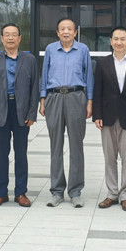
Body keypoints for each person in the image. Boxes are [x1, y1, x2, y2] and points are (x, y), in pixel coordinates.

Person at [39, 17, 94, 208]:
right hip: (54, 97)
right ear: (57, 32)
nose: (66, 32)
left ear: (75, 32)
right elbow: (44, 74)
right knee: (56, 146)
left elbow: (89, 76)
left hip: (76, 97)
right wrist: (43, 100)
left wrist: (89, 102)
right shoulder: (50, 49)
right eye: (62, 29)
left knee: (76, 145)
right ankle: (57, 191)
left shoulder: (83, 50)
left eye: (69, 29)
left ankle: (75, 191)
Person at [0, 23, 39, 207]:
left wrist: (32, 112)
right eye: (6, 34)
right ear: (1, 38)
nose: (10, 38)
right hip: (1, 110)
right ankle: (1, 192)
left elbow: (34, 88)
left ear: (19, 38)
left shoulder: (29, 59)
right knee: (2, 153)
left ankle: (21, 192)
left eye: (14, 34)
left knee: (21, 153)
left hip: (21, 111)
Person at [93, 26, 126, 212]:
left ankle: (125, 195)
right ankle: (112, 193)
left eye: (123, 39)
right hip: (107, 116)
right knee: (109, 157)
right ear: (110, 41)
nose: (119, 42)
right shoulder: (102, 63)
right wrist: (97, 115)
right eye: (115, 39)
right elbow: (97, 91)